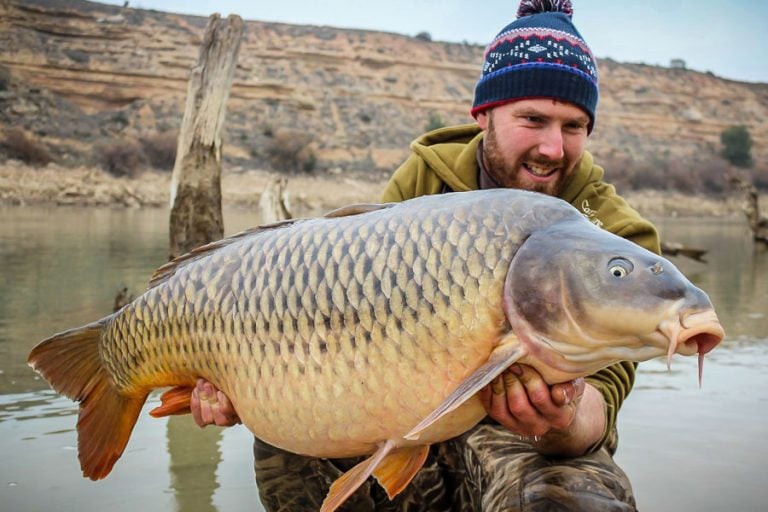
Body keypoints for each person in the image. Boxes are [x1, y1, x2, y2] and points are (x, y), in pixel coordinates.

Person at [191, 1, 660, 510]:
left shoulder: (616, 236)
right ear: (484, 115)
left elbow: (601, 408)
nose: (552, 146)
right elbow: (342, 322)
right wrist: (253, 383)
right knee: (286, 444)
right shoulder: (422, 183)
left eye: (573, 126)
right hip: (410, 412)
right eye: (533, 119)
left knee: (571, 497)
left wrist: (561, 418)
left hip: (525, 438)